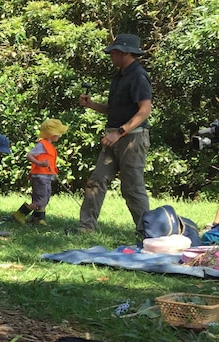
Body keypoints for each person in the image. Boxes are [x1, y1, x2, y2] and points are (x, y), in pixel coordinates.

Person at [76, 33, 152, 234]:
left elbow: (144, 110)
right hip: (114, 137)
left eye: (114, 53)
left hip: (132, 138)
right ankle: (86, 228)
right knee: (95, 181)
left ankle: (147, 232)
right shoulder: (120, 76)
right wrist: (91, 105)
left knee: (132, 188)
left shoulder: (138, 76)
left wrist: (119, 132)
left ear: (125, 53)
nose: (111, 56)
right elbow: (115, 109)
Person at [13, 119, 68, 225]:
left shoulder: (49, 146)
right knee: (40, 200)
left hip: (47, 176)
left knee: (45, 198)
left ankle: (39, 218)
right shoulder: (42, 145)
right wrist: (40, 164)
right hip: (40, 177)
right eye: (58, 133)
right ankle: (20, 214)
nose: (59, 135)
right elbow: (29, 155)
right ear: (51, 133)